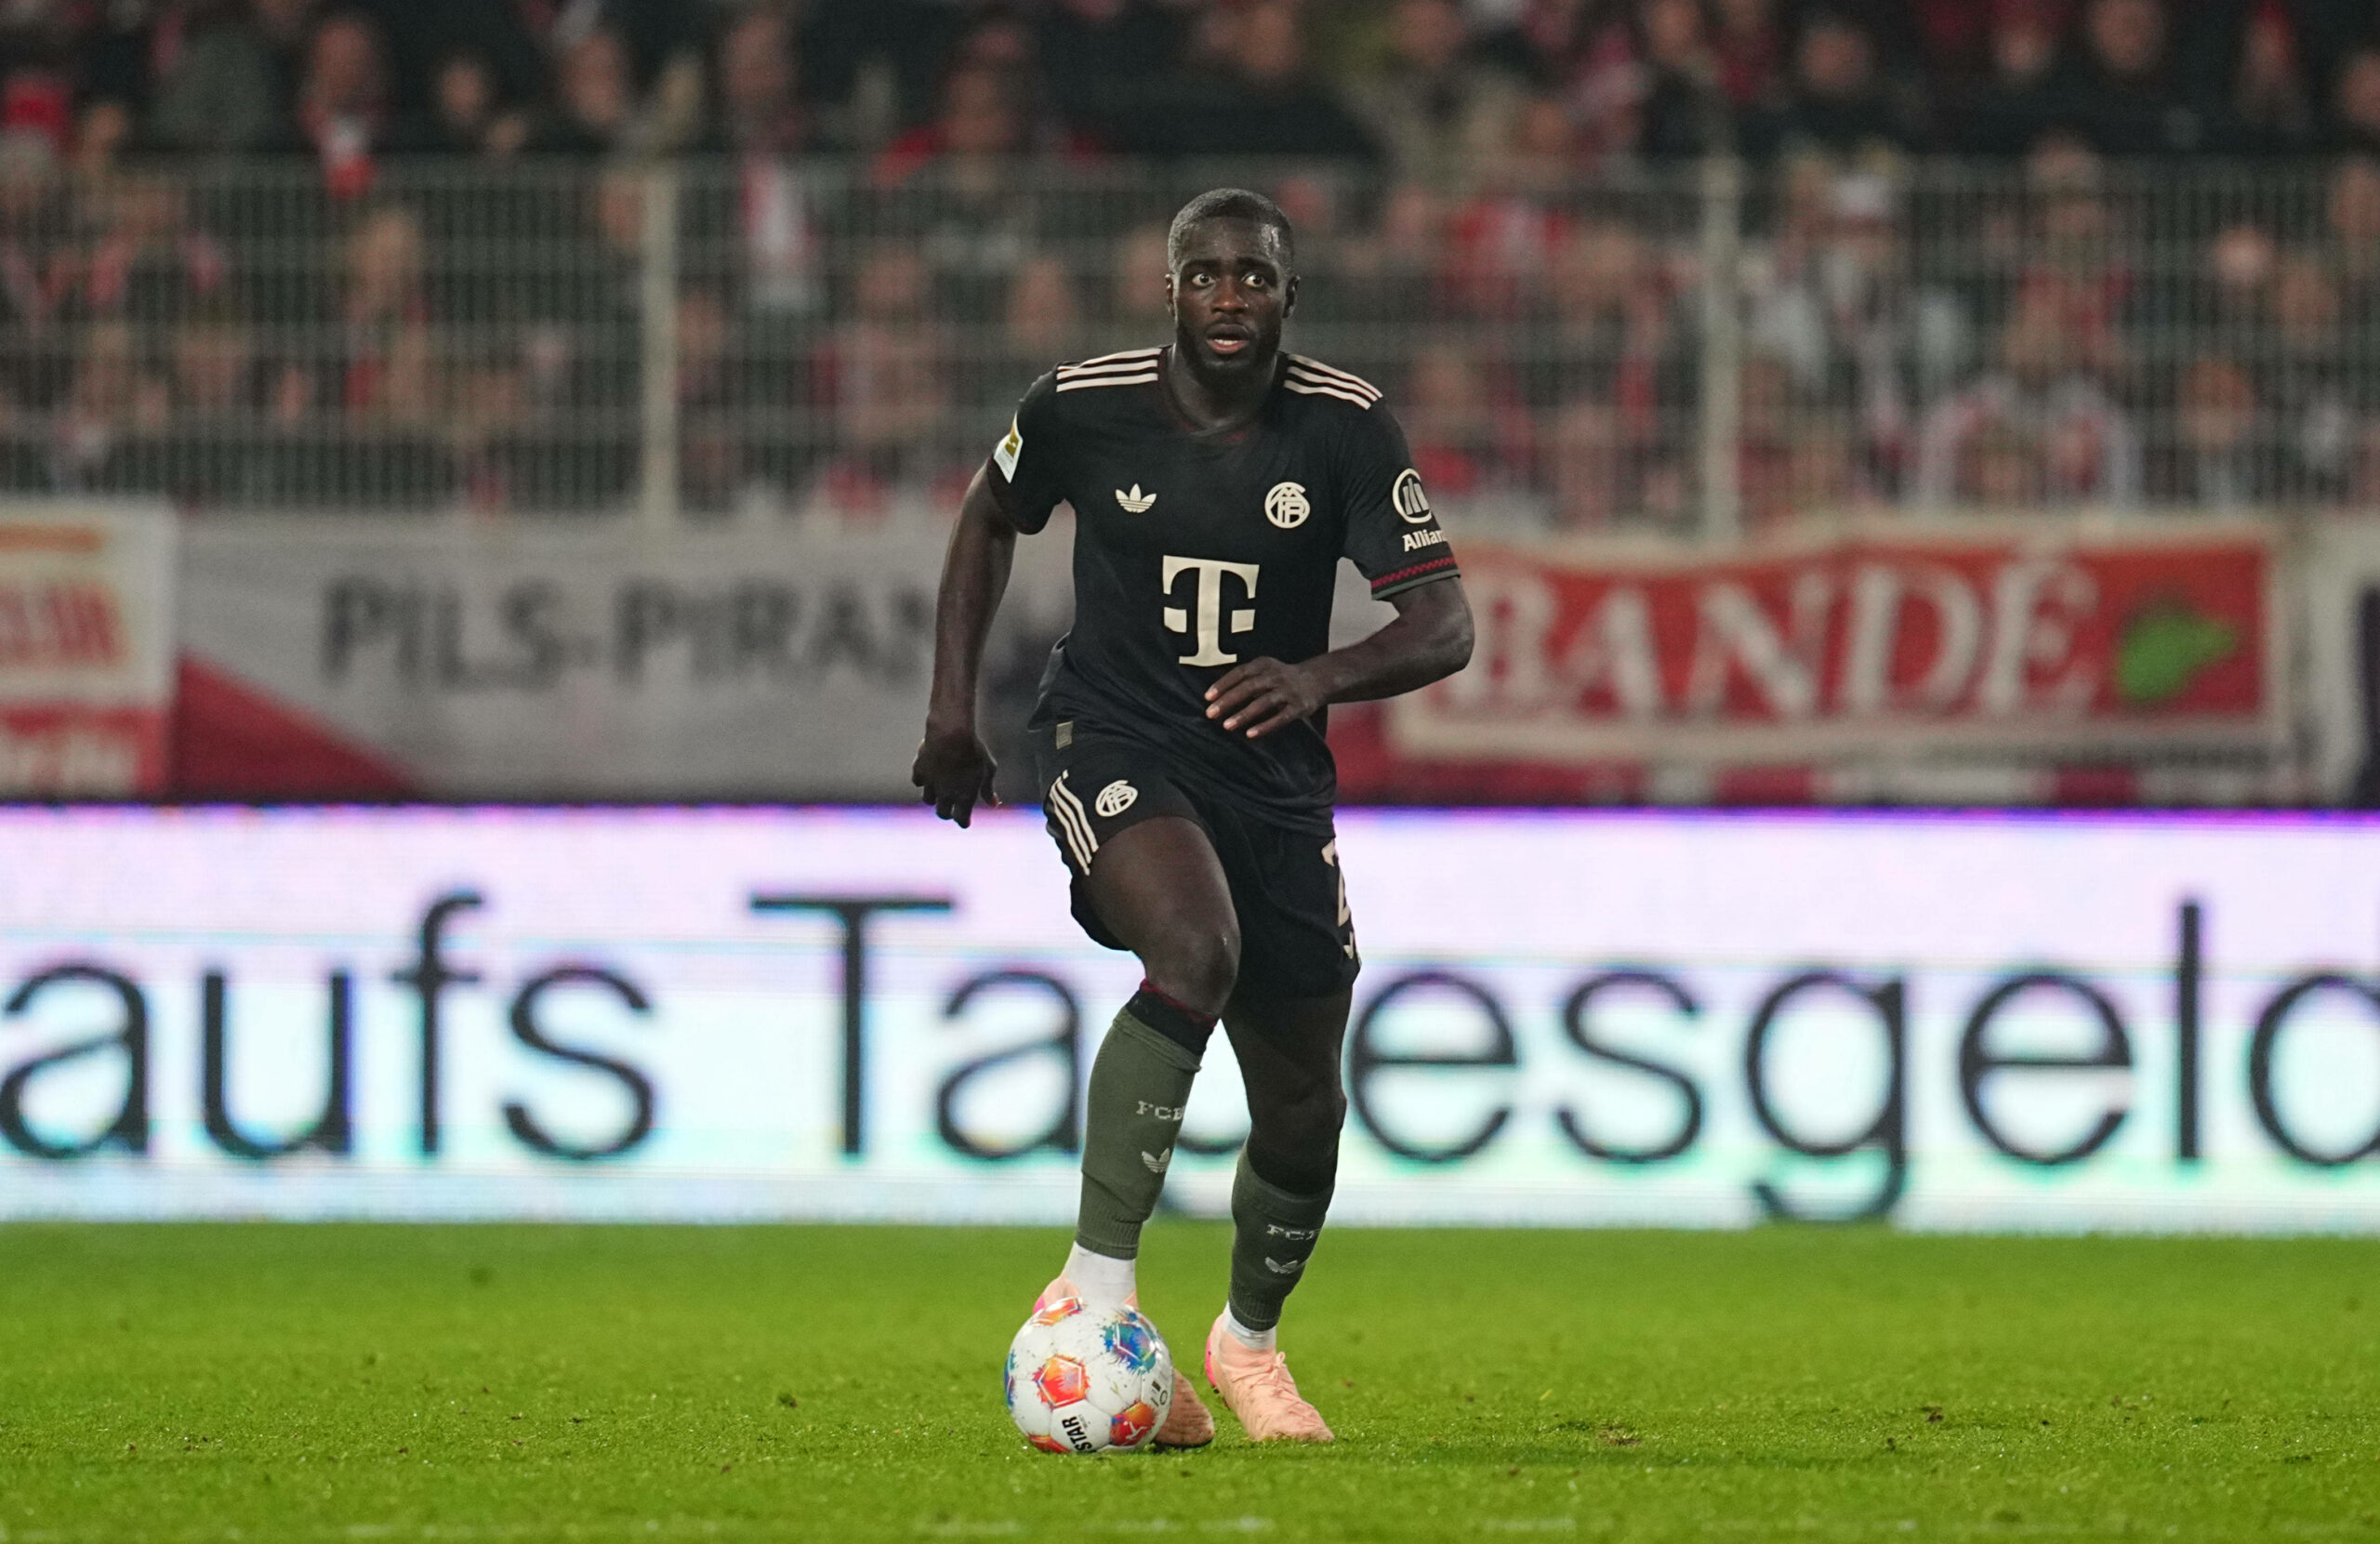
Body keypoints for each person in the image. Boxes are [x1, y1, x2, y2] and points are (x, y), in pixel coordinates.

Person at [910, 189, 1473, 1446]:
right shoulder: (1082, 405)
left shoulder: (1344, 426)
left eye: (1256, 278)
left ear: (1289, 296)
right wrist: (954, 712)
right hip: (1111, 732)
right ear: (1171, 289)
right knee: (1194, 950)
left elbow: (1447, 625)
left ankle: (1245, 1345)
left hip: (1270, 776)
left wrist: (1319, 676)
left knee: (1304, 1106)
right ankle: (1094, 1287)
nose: (1231, 298)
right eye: (1207, 275)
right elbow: (986, 518)